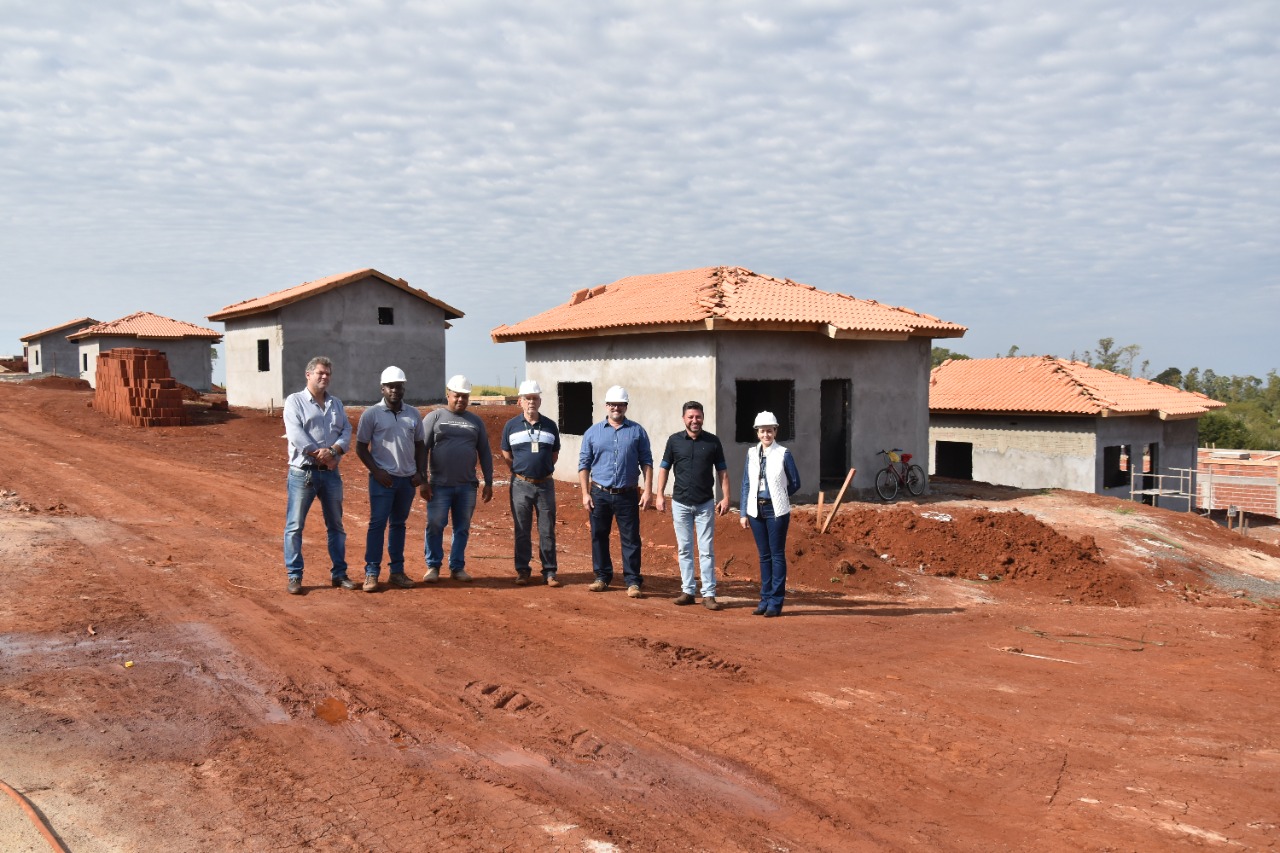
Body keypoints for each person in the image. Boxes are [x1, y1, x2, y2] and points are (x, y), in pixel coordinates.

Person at [282, 356, 354, 594]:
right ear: (308, 374)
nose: (325, 377)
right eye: (320, 373)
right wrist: (321, 454)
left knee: (336, 526)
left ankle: (339, 574)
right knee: (294, 527)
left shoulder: (336, 404)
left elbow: (346, 429)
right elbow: (295, 434)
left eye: (328, 374)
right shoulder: (295, 402)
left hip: (331, 474)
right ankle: (295, 575)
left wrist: (334, 451)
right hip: (303, 474)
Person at [354, 366, 426, 593]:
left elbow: (420, 445)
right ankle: (372, 572)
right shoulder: (371, 414)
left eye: (399, 386)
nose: (395, 390)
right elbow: (360, 448)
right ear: (382, 388)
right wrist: (376, 471)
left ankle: (396, 572)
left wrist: (420, 473)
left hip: (407, 481)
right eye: (391, 386)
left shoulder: (413, 414)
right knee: (377, 525)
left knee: (398, 525)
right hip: (383, 481)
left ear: (403, 388)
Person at [578, 385, 653, 598]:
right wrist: (585, 493)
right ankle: (602, 577)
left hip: (627, 494)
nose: (616, 408)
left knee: (630, 538)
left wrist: (648, 491)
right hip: (599, 493)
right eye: (612, 404)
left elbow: (646, 462)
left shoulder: (637, 431)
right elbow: (584, 464)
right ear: (606, 406)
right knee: (599, 535)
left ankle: (632, 581)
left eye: (620, 404)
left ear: (626, 406)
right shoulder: (593, 433)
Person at [655, 401, 730, 611]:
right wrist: (659, 495)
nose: (694, 420)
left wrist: (725, 498)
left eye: (698, 417)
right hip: (680, 503)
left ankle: (709, 594)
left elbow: (722, 471)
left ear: (703, 418)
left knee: (706, 550)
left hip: (705, 504)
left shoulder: (713, 442)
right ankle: (688, 591)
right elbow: (664, 469)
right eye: (690, 417)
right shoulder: (674, 441)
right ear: (684, 419)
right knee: (684, 549)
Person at [421, 374, 493, 582]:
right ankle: (433, 566)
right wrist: (422, 480)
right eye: (457, 396)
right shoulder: (434, 418)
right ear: (448, 395)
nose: (460, 400)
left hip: (466, 486)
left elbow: (485, 452)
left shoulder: (475, 421)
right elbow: (422, 450)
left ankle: (457, 567)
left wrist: (488, 481)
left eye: (464, 396)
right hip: (439, 486)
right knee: (435, 524)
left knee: (462, 528)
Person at [739, 411, 801, 617]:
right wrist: (743, 512)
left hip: (776, 510)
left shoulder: (783, 453)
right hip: (756, 510)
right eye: (762, 431)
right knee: (764, 556)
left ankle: (776, 601)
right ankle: (764, 599)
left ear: (775, 431)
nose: (766, 434)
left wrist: (780, 495)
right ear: (757, 433)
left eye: (770, 431)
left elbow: (795, 482)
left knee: (776, 555)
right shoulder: (750, 453)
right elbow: (746, 483)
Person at [501, 380, 562, 587]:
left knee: (547, 529)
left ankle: (550, 571)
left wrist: (540, 469)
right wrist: (521, 470)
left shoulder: (550, 425)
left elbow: (554, 455)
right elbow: (506, 454)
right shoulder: (511, 426)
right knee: (522, 529)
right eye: (527, 398)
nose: (531, 402)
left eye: (535, 398)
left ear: (540, 401)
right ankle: (523, 571)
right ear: (520, 401)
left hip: (545, 484)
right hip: (520, 484)